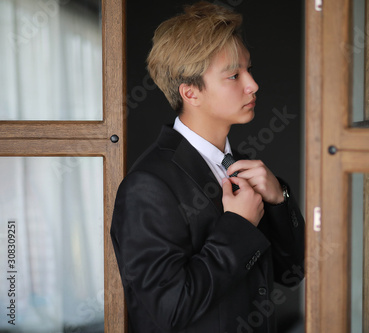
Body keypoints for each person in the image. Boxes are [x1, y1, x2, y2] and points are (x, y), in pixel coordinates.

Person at [110, 2, 305, 332]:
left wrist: (279, 200)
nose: (253, 84)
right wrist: (238, 226)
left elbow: (292, 274)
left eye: (248, 70)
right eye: (234, 75)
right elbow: (169, 310)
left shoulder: (244, 167)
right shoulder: (147, 186)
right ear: (190, 92)